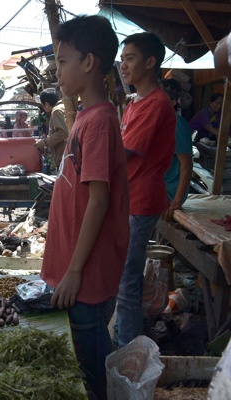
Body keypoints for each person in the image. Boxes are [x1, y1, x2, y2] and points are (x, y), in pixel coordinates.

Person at [39, 16, 129, 400]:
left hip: (87, 280)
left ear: (89, 63)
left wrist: (74, 272)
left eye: (62, 61)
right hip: (77, 273)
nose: (56, 70)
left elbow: (99, 199)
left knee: (91, 378)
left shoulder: (99, 123)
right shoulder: (86, 118)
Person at [113, 32, 176, 349]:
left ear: (150, 62)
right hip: (131, 198)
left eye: (130, 59)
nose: (123, 66)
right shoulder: (135, 102)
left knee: (127, 281)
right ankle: (126, 337)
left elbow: (122, 154)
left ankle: (128, 349)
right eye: (122, 60)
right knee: (125, 277)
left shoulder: (155, 104)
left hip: (140, 200)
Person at [160, 79, 193, 221]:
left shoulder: (176, 123)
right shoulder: (160, 121)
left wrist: (176, 203)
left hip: (169, 193)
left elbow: (186, 164)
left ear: (173, 102)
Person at [36, 88, 69, 170]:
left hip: (64, 156)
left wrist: (44, 142)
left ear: (46, 104)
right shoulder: (64, 107)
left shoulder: (56, 111)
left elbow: (63, 132)